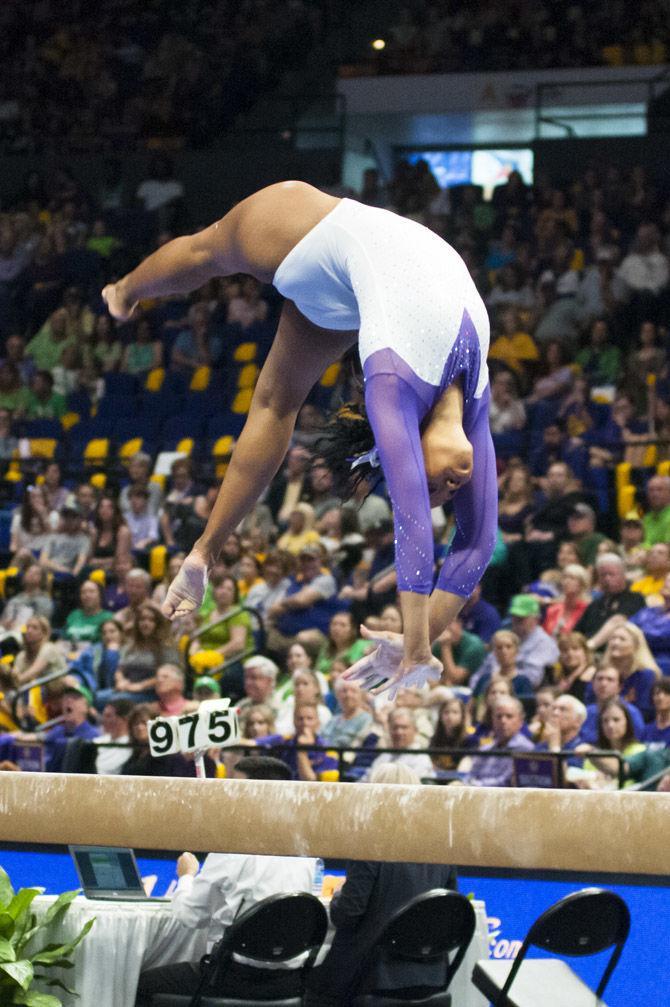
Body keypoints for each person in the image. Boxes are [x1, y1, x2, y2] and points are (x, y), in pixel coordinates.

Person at [104, 181, 497, 695]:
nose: (448, 492)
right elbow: (438, 526)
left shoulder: (393, 389)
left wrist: (415, 639)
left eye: (435, 491)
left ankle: (203, 550)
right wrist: (418, 642)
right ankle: (124, 290)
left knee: (273, 401)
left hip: (333, 270)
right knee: (207, 251)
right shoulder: (469, 402)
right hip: (324, 232)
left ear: (395, 444)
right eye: (445, 494)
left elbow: (467, 538)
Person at [135, 756, 316, 1007]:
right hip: (291, 981)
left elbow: (191, 917)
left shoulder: (232, 848)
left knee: (143, 985)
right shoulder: (307, 852)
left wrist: (186, 876)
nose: (228, 794)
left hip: (230, 977)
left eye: (236, 787)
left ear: (257, 795)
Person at [306, 763, 457, 1007]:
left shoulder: (370, 843)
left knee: (307, 984)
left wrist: (338, 896)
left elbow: (347, 915)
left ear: (374, 795)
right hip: (431, 974)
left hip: (370, 975)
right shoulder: (441, 846)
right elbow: (448, 911)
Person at [464, 696, 535, 787]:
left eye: (509, 716)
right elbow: (471, 775)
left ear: (520, 721)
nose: (503, 721)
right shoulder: (485, 749)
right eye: (499, 716)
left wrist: (473, 785)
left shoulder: (526, 750)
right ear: (492, 719)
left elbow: (506, 782)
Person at [364, 706, 434, 781]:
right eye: (395, 727)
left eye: (404, 727)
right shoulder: (383, 757)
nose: (399, 732)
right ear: (389, 730)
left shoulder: (421, 758)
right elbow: (365, 780)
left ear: (415, 730)